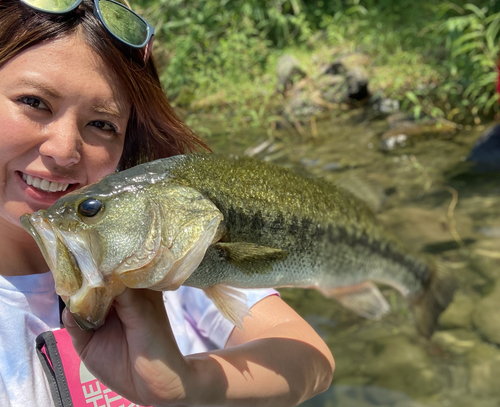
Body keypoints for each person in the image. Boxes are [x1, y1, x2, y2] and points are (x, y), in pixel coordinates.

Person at [0, 0, 335, 406]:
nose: (64, 150)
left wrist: (189, 386)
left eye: (103, 124)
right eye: (34, 102)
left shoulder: (165, 243)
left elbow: (311, 357)